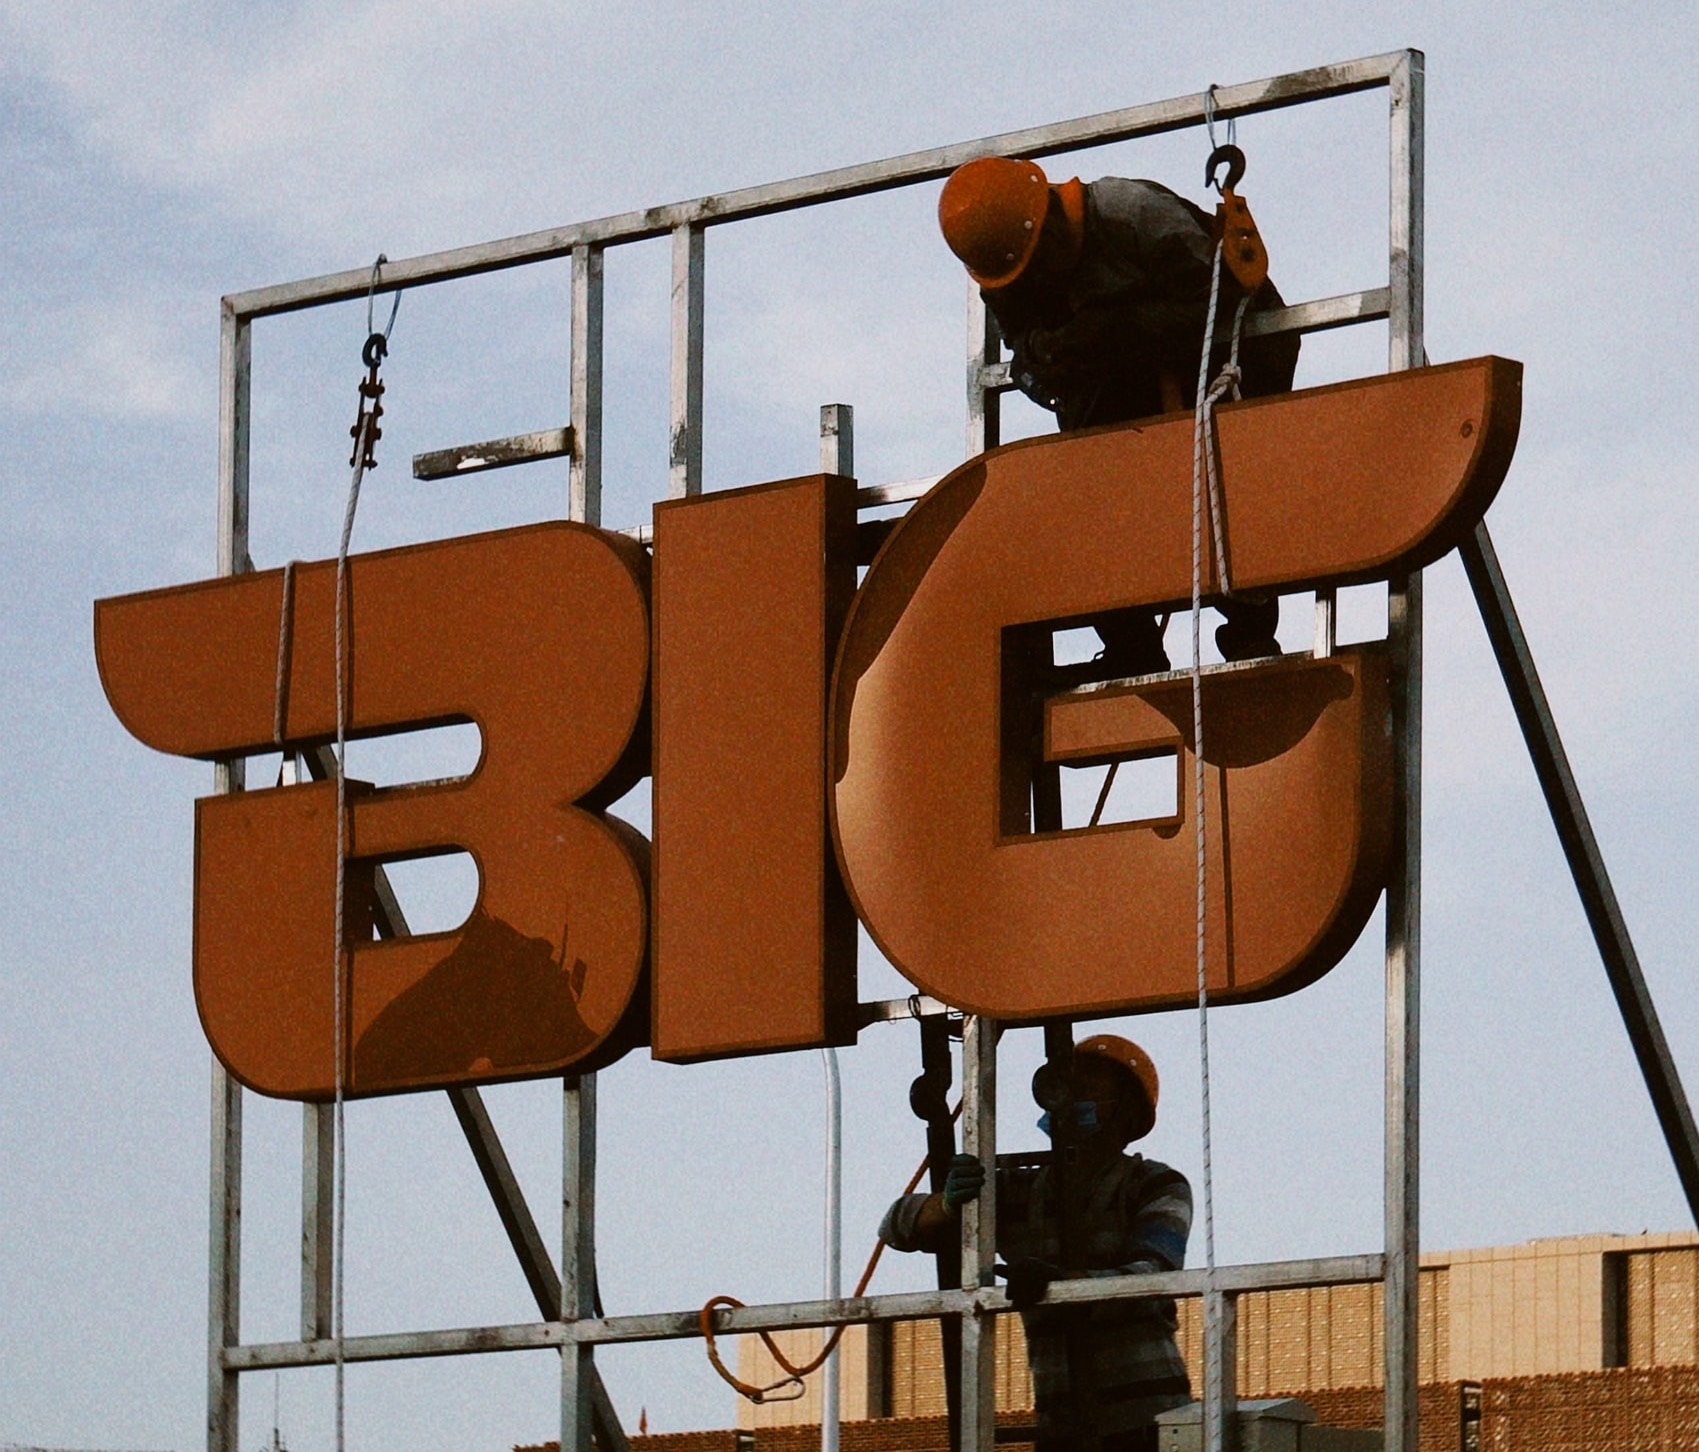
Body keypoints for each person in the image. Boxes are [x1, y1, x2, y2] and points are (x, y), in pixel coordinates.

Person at [938, 156, 1302, 671]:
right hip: (1120, 381)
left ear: (1049, 223)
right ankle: (1130, 643)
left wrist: (1118, 327)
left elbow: (1228, 299)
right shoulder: (1007, 273)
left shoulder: (1132, 215)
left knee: (1226, 485)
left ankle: (1249, 627)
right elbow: (1032, 355)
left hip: (1231, 360)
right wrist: (1056, 352)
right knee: (1091, 486)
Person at [880, 1035, 1193, 1452]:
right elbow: (896, 1226)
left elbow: (1151, 1278)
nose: (1069, 1099)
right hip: (1059, 1423)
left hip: (1149, 1421)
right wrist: (950, 1203)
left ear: (1127, 1109)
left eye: (1089, 1088)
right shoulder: (1021, 1190)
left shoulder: (1154, 1184)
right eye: (1065, 1086)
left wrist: (1060, 1284)